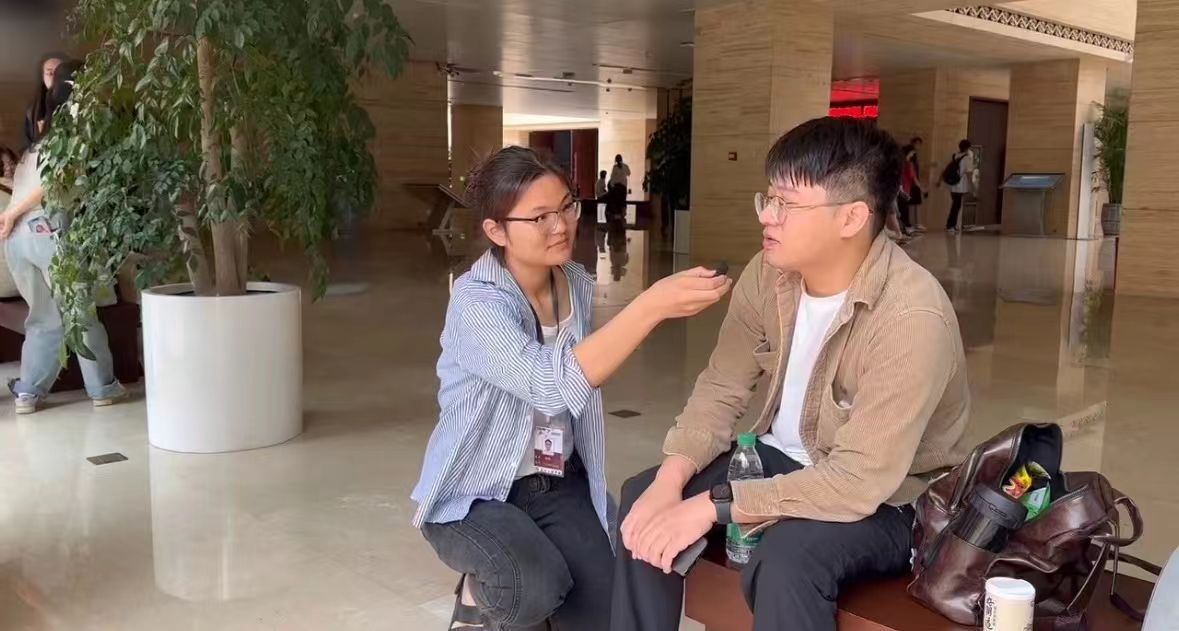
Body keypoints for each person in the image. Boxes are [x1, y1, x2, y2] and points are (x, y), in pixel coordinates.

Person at [610, 117, 972, 631]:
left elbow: (858, 481)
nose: (768, 217)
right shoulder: (769, 274)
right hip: (783, 460)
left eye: (788, 205)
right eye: (769, 199)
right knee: (641, 497)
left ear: (851, 217)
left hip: (892, 499)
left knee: (786, 560)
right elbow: (722, 387)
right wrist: (670, 483)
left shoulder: (911, 317)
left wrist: (715, 506)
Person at [411, 146, 731, 631]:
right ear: (496, 231)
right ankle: (479, 599)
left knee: (606, 614)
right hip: (475, 493)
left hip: (554, 479)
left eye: (566, 207)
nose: (560, 226)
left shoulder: (574, 282)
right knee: (531, 588)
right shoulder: (476, 303)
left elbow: (578, 379)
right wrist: (650, 307)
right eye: (539, 217)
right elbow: (550, 385)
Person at [0, 60, 128, 415]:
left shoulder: (34, 144)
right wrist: (12, 212)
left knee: (43, 317)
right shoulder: (74, 130)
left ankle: (28, 393)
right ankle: (102, 388)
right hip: (47, 229)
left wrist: (10, 216)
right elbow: (53, 184)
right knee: (79, 312)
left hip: (18, 240)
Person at [24, 53, 66, 148]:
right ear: (43, 77)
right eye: (50, 73)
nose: (55, 78)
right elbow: (30, 144)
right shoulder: (32, 112)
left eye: (60, 73)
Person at [943, 139, 976, 234]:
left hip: (952, 184)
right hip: (960, 185)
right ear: (967, 147)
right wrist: (972, 186)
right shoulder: (967, 158)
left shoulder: (955, 155)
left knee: (955, 205)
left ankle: (952, 225)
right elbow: (969, 173)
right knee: (956, 206)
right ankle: (950, 225)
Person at [907, 137, 926, 232]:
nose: (918, 146)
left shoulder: (914, 156)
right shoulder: (910, 156)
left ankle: (916, 223)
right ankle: (912, 224)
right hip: (911, 184)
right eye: (917, 144)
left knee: (916, 203)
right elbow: (912, 174)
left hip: (914, 183)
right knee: (911, 204)